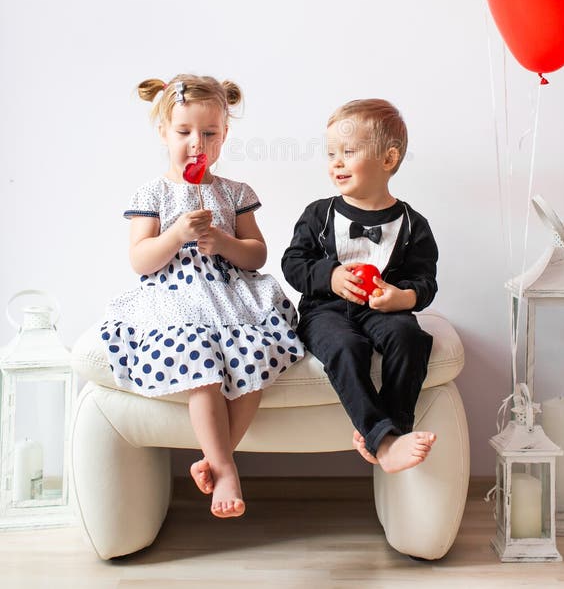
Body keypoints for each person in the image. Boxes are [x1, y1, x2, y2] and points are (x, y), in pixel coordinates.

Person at [101, 74, 303, 518]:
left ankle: (214, 459)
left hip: (231, 297)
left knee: (256, 356)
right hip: (175, 299)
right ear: (163, 132)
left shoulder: (234, 193)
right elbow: (140, 259)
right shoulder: (152, 193)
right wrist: (176, 235)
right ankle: (227, 470)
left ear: (225, 135)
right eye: (184, 132)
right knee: (199, 362)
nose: (197, 144)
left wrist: (223, 243)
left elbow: (258, 254)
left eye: (210, 134)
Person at [281, 99, 437, 473]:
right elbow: (293, 263)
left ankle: (395, 429)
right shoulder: (319, 214)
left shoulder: (413, 224)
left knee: (410, 339)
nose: (336, 162)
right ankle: (381, 438)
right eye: (331, 153)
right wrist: (330, 276)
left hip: (382, 309)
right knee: (347, 347)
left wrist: (403, 297)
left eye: (349, 152)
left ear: (388, 159)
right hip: (326, 310)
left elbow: (426, 280)